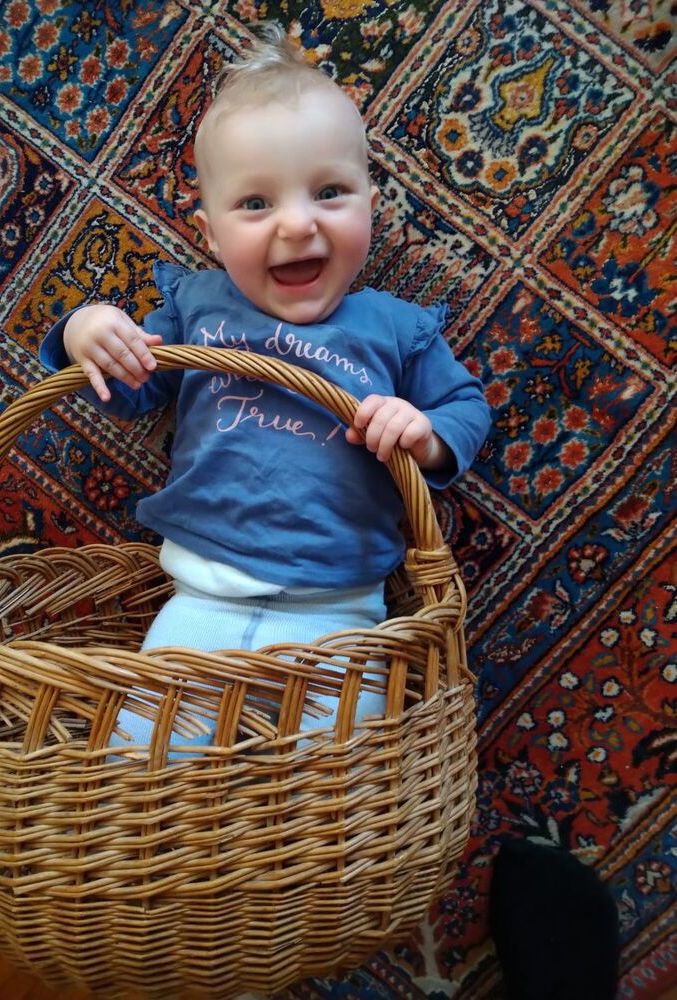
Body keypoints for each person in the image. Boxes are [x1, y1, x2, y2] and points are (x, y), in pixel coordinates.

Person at [40, 24, 491, 754]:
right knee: (145, 765)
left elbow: (468, 407)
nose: (297, 223)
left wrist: (426, 435)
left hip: (341, 615)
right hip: (201, 601)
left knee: (334, 784)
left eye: (331, 192)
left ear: (371, 202)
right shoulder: (197, 307)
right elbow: (126, 388)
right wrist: (84, 331)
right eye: (255, 204)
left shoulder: (394, 328)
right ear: (210, 233)